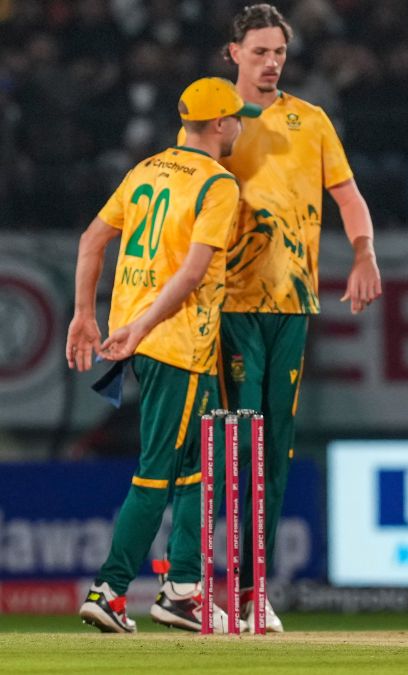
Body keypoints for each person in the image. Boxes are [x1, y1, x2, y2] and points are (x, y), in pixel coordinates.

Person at [205, 3, 382, 632]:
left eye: (278, 52)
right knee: (235, 447)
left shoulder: (311, 120)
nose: (271, 62)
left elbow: (347, 195)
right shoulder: (215, 117)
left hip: (292, 305)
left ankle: (252, 592)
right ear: (234, 53)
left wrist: (364, 253)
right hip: (231, 303)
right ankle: (194, 582)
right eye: (259, 52)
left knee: (274, 451)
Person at [69, 77, 259, 633]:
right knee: (157, 471)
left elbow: (91, 240)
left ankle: (182, 590)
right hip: (177, 343)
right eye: (237, 118)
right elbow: (194, 272)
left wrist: (84, 314)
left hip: (154, 342)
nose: (240, 126)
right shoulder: (218, 184)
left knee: (203, 467)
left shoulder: (146, 170)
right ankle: (110, 589)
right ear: (220, 124)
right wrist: (143, 326)